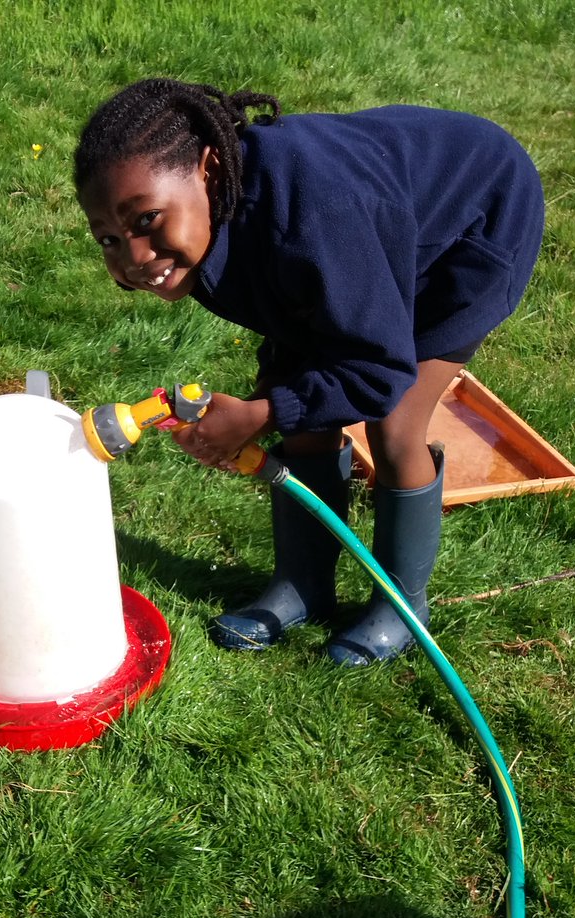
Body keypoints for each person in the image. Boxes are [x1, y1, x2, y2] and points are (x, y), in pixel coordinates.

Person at [74, 78, 545, 666]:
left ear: (209, 168)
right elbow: (297, 314)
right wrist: (273, 400)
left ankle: (401, 606)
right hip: (369, 238)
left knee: (395, 425)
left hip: (472, 224)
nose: (134, 258)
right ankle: (304, 586)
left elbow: (377, 370)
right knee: (305, 419)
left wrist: (262, 412)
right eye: (109, 240)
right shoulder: (215, 217)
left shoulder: (316, 213)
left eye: (145, 221)